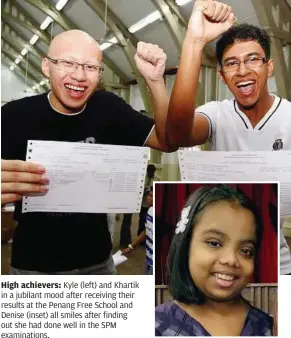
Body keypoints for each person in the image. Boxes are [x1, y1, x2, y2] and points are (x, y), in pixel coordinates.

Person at [1, 29, 176, 275]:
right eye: (68, 63)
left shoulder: (108, 109)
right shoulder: (13, 116)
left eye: (91, 67)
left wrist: (156, 82)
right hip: (34, 266)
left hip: (98, 263)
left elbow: (169, 141)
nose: (79, 76)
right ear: (46, 66)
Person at [166, 0, 291, 274]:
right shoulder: (216, 115)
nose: (243, 71)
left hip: (278, 266)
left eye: (253, 60)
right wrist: (194, 42)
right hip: (220, 266)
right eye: (232, 64)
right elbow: (176, 134)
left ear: (269, 67)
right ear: (222, 76)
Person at [155, 185, 273, 336]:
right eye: (214, 243)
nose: (231, 260)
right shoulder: (157, 325)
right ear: (186, 244)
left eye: (245, 251)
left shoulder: (266, 326)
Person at [122, 188, 153, 274]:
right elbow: (146, 231)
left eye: (151, 196)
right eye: (148, 195)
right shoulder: (150, 211)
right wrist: (131, 247)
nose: (147, 197)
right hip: (148, 258)